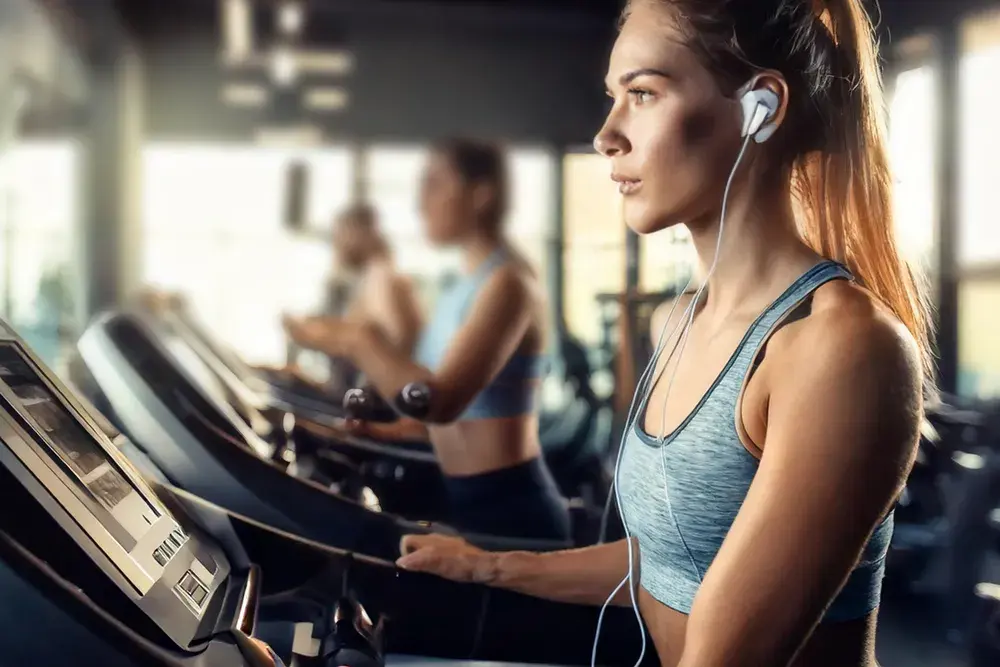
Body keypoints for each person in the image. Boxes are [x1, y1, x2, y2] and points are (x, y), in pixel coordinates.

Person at [392, 1, 932, 667]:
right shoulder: (676, 321)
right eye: (613, 96)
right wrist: (487, 565)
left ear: (759, 107)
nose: (605, 135)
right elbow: (670, 560)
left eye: (643, 93)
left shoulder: (839, 347)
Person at [284, 139, 572, 543]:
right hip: (466, 497)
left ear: (481, 195)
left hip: (511, 508)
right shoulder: (460, 288)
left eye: (434, 184)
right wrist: (383, 433)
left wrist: (354, 338)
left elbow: (440, 402)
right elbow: (445, 420)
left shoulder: (510, 283)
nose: (420, 202)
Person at [278, 203, 423, 393]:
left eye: (340, 234)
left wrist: (313, 334)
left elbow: (391, 348)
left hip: (374, 405)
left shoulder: (382, 276)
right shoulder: (369, 276)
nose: (336, 243)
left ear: (361, 233)